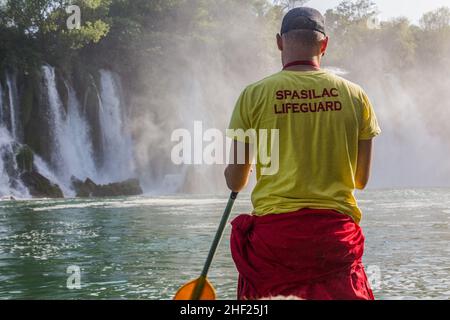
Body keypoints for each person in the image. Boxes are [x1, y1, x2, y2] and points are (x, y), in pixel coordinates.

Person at [224, 7, 381, 300]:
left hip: (275, 244)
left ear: (279, 42)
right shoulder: (356, 95)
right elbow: (361, 180)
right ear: (324, 45)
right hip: (333, 242)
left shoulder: (253, 94)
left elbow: (236, 181)